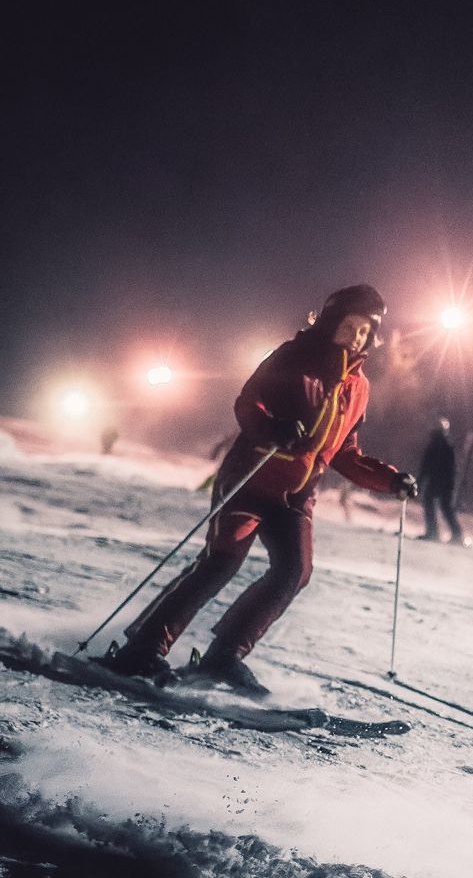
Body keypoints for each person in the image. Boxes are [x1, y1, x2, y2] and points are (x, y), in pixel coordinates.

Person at [106, 285, 417, 698]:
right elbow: (248, 404)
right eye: (350, 326)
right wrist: (273, 428)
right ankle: (142, 650)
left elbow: (345, 452)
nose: (357, 337)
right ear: (331, 321)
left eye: (365, 331)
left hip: (297, 494)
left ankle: (224, 656)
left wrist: (390, 479)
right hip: (250, 477)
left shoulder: (358, 387)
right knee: (220, 563)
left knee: (294, 572)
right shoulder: (293, 357)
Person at [418, 415, 465, 544]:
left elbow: (426, 467)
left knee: (435, 504)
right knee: (444, 506)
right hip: (445, 482)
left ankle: (436, 533)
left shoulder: (438, 446)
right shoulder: (446, 446)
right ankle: (454, 534)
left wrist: (420, 482)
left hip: (441, 481)